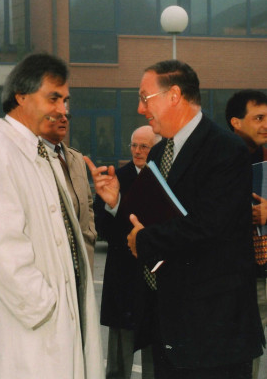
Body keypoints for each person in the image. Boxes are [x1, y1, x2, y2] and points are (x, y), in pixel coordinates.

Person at [85, 60, 265, 379]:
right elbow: (145, 222)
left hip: (214, 334)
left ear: (174, 95)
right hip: (167, 326)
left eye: (145, 98)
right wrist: (116, 203)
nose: (141, 109)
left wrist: (144, 240)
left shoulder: (225, 150)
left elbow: (207, 227)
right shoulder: (158, 154)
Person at [0, 53, 104, 379]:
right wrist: (46, 308)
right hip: (29, 331)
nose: (62, 109)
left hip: (54, 325)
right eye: (53, 98)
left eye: (65, 100)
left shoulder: (38, 152)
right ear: (21, 96)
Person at [94, 125, 160, 379]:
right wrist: (114, 206)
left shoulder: (168, 178)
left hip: (156, 282)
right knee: (119, 363)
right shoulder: (116, 179)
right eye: (134, 145)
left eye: (144, 146)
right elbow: (103, 229)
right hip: (124, 280)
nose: (137, 151)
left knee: (156, 360)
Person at [225, 89, 267, 379]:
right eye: (259, 118)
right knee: (241, 357)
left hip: (263, 272)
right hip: (238, 278)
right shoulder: (221, 161)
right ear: (236, 122)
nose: (266, 124)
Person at [41, 112, 97, 274]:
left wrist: (90, 234)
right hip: (54, 258)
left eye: (67, 116)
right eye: (57, 116)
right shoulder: (34, 159)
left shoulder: (76, 157)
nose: (64, 120)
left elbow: (88, 202)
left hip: (83, 255)